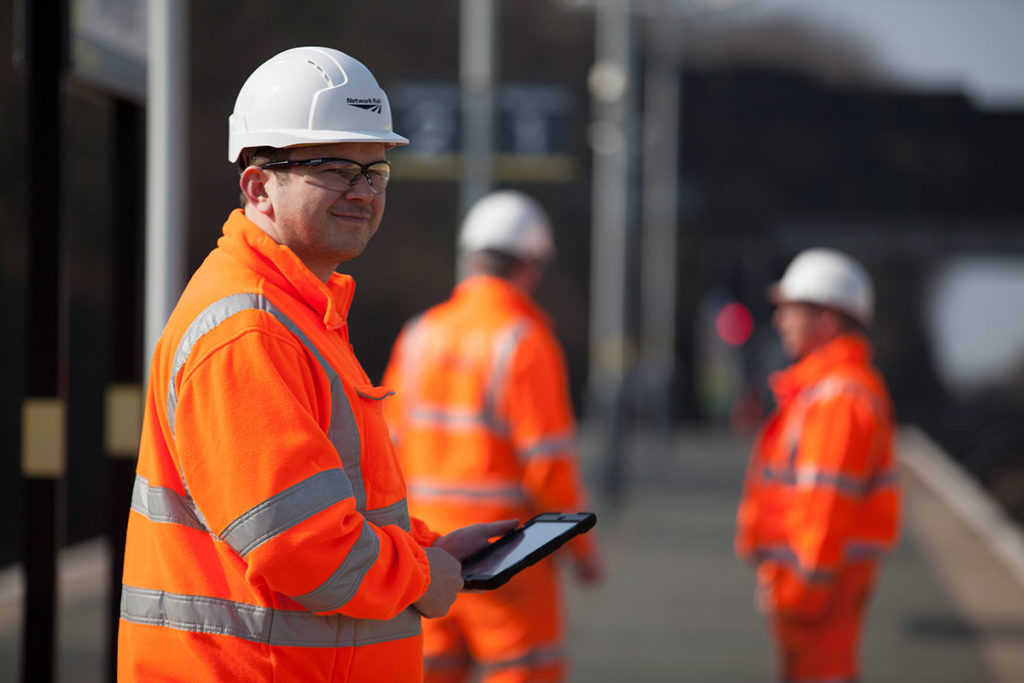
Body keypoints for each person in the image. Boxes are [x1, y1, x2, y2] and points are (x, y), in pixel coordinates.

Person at [117, 46, 515, 681]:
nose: (362, 192)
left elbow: (328, 506)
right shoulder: (248, 329)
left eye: (374, 172)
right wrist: (420, 577)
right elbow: (301, 548)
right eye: (333, 168)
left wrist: (426, 548)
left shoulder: (297, 312)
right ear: (258, 186)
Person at [382, 190, 603, 683]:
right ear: (531, 265)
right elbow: (548, 464)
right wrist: (581, 550)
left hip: (427, 551)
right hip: (506, 553)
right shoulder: (525, 340)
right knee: (522, 671)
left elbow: (384, 448)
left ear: (470, 258)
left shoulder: (419, 334)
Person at [734, 247, 902, 682]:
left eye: (791, 309)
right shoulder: (826, 392)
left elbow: (825, 505)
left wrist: (802, 589)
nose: (779, 320)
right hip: (814, 585)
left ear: (826, 321)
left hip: (818, 590)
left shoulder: (838, 398)